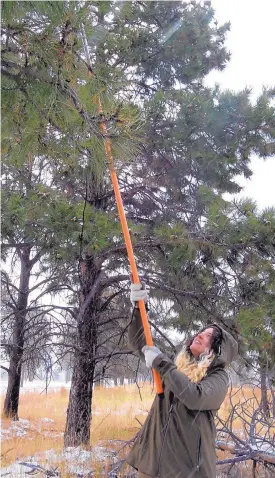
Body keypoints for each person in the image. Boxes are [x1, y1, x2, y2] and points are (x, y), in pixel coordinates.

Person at [126, 283, 238, 478]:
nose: (201, 335)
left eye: (210, 337)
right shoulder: (177, 366)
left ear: (217, 350)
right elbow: (140, 343)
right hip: (153, 466)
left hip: (187, 472)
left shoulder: (218, 378)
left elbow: (195, 396)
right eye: (202, 331)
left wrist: (161, 363)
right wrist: (138, 309)